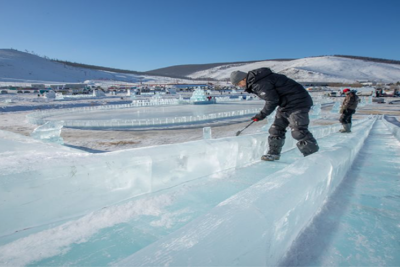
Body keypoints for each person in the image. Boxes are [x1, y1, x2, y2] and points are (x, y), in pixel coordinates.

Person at [230, 68, 319, 161]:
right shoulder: (257, 81)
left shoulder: (260, 83)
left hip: (298, 102)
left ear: (244, 79)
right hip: (286, 104)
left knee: (298, 131)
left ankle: (313, 157)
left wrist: (261, 115)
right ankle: (273, 154)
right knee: (275, 129)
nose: (240, 86)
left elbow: (272, 100)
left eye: (238, 84)